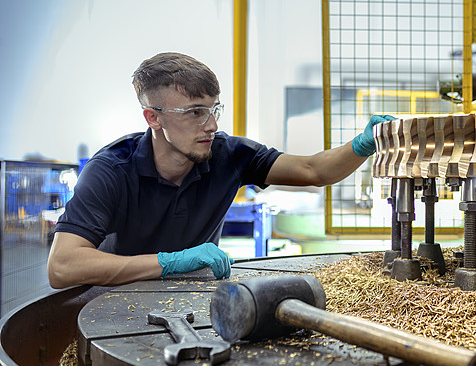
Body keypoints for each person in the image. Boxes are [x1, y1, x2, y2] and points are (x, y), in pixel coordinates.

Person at [47, 52, 393, 288]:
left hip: (194, 298)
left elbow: (314, 170)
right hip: (115, 304)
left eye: (214, 109)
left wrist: (363, 143)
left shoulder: (229, 155)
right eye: (195, 112)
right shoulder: (110, 170)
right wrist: (169, 262)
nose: (211, 124)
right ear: (153, 118)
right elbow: (62, 266)